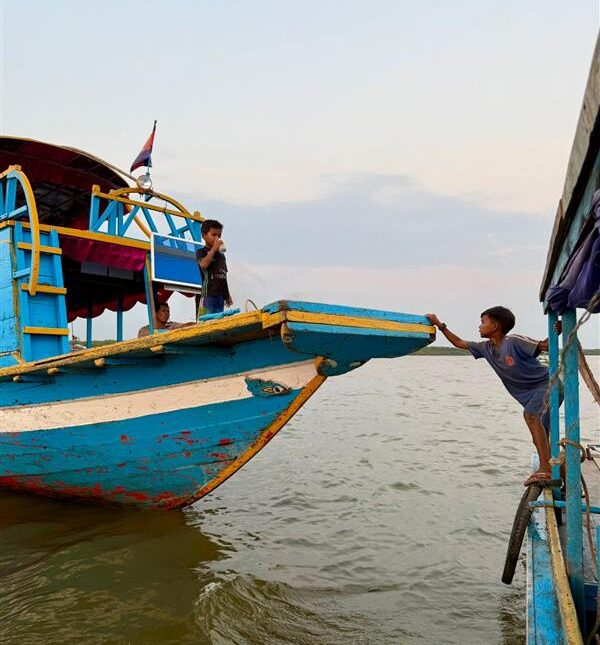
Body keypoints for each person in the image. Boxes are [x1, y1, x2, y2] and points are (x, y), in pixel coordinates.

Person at [426, 307, 561, 486]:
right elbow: (458, 342)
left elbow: (545, 346)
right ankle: (565, 477)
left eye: (483, 322)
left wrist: (557, 331)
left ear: (495, 325)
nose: (479, 326)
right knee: (540, 435)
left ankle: (546, 469)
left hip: (548, 386)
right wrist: (439, 324)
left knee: (530, 416)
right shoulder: (485, 348)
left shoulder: (514, 341)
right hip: (532, 395)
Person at [196, 219, 233, 315]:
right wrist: (213, 249)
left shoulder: (221, 256)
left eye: (219, 235)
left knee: (218, 320)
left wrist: (227, 294)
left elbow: (223, 275)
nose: (217, 238)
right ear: (204, 236)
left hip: (220, 296)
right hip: (208, 295)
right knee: (205, 321)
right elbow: (203, 264)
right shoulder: (201, 252)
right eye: (213, 235)